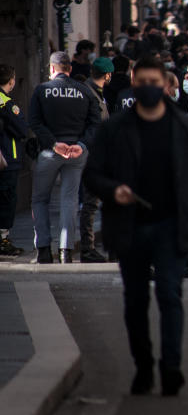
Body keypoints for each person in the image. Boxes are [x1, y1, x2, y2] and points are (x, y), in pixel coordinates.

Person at [82, 56, 188, 396]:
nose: (148, 89)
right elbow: (93, 174)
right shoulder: (114, 129)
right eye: (140, 82)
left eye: (154, 83)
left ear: (167, 86)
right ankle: (143, 366)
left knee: (171, 294)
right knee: (135, 301)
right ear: (132, 83)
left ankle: (171, 367)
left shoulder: (187, 130)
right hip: (130, 227)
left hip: (172, 227)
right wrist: (115, 190)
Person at [29, 51, 102, 263]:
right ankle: (65, 250)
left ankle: (43, 249)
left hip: (50, 152)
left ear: (52, 69)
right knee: (69, 200)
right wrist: (81, 145)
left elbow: (35, 122)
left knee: (40, 199)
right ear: (69, 69)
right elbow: (95, 123)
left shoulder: (42, 90)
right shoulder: (84, 91)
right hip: (76, 153)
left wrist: (53, 143)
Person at [76, 57, 115, 263]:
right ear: (107, 75)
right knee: (91, 203)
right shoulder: (89, 94)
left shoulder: (92, 92)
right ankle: (87, 248)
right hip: (93, 156)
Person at [0, 64, 28, 256]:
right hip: (7, 159)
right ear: (11, 81)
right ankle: (3, 239)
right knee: (6, 200)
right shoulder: (7, 104)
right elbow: (22, 129)